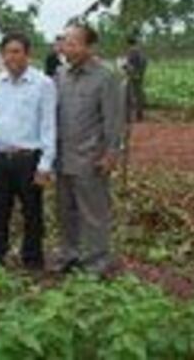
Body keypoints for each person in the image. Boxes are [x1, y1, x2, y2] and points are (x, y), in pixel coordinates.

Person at [0, 32, 56, 270]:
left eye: (17, 52)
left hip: (28, 159)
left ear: (27, 54)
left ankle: (32, 260)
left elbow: (48, 126)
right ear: (1, 55)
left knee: (32, 213)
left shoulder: (43, 84)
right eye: (7, 52)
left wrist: (45, 164)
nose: (11, 57)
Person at [54, 24, 123, 276]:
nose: (66, 48)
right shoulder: (60, 74)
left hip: (91, 158)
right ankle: (69, 255)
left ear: (89, 47)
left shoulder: (105, 77)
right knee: (65, 211)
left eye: (73, 43)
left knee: (93, 212)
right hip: (63, 157)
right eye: (65, 42)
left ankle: (96, 262)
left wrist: (111, 153)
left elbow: (113, 119)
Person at [123, 36, 148, 122]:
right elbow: (144, 63)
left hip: (133, 77)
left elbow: (129, 65)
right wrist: (140, 73)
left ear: (127, 43)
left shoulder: (132, 52)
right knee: (138, 95)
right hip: (139, 76)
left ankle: (128, 117)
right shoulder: (141, 52)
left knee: (128, 96)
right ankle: (139, 116)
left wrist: (125, 67)